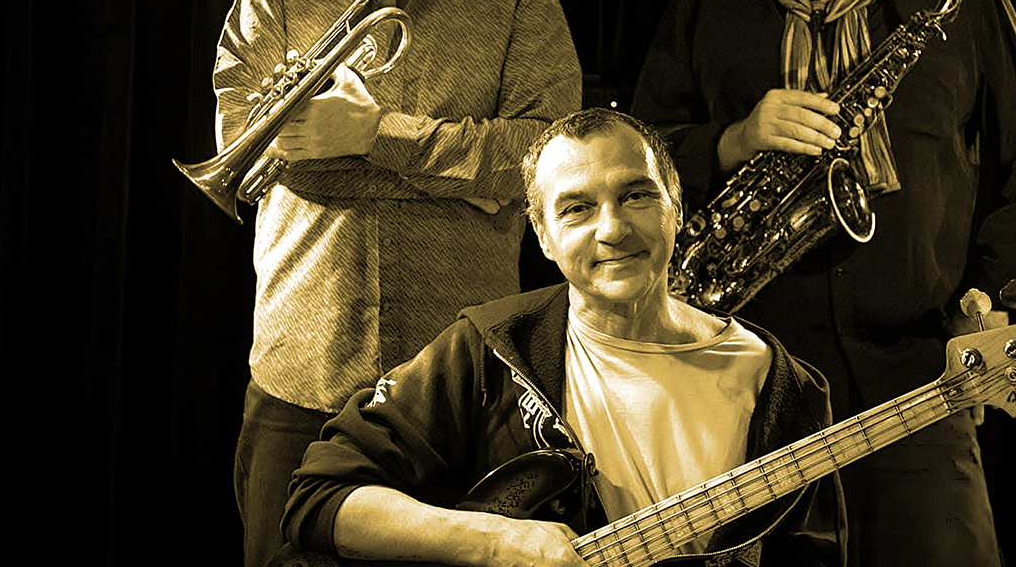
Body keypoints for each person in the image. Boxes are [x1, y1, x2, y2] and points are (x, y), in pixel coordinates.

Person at [630, 0, 1016, 564]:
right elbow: (635, 160)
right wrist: (732, 140)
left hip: (920, 373)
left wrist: (990, 293)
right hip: (748, 380)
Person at [212, 0, 582, 564]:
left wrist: (373, 134)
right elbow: (253, 159)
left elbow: (540, 165)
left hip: (459, 391)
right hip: (300, 379)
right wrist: (463, 175)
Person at [276, 108, 844, 566]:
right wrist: (492, 542)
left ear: (677, 208)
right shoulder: (489, 350)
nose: (612, 228)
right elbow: (320, 501)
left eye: (636, 195)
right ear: (543, 235)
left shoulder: (777, 382)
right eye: (577, 208)